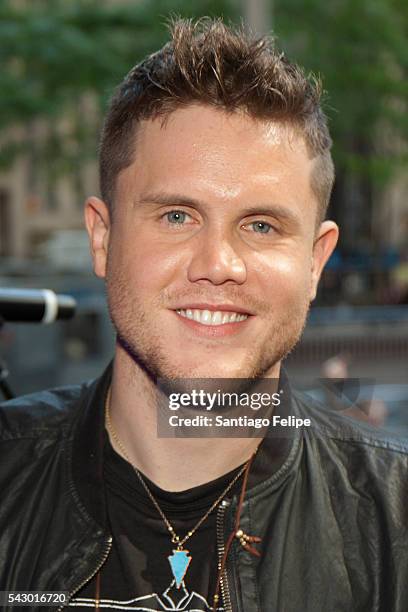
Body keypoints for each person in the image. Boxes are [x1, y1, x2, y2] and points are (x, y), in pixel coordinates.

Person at [1, 18, 407, 612]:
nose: (218, 265)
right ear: (102, 238)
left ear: (316, 262)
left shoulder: (393, 526)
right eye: (176, 217)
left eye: (261, 226)